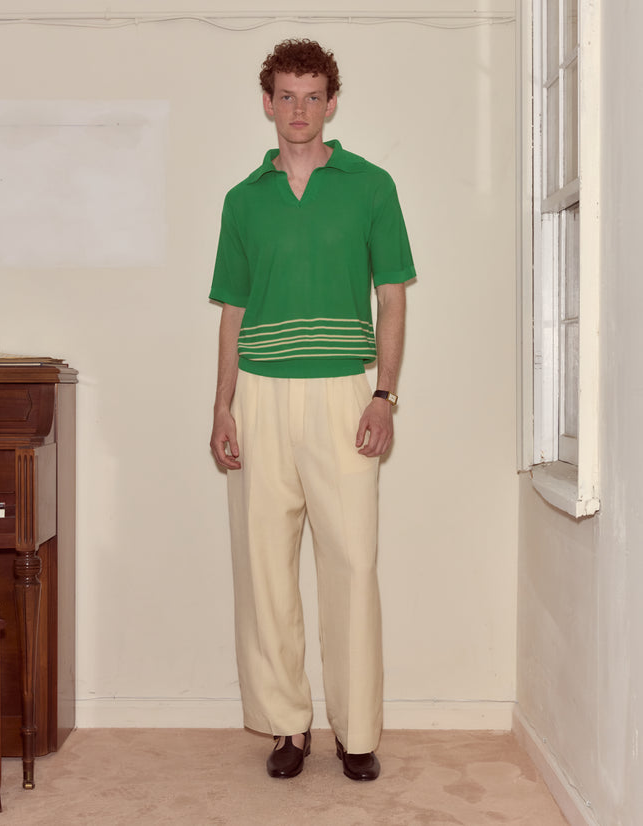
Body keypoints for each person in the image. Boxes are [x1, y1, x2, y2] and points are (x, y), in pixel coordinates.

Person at [209, 38, 415, 781]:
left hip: (341, 392)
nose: (298, 109)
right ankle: (285, 727)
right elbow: (231, 310)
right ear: (268, 103)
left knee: (352, 563)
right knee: (265, 566)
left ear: (332, 103)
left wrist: (384, 395)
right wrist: (222, 406)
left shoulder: (372, 186)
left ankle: (357, 733)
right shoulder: (242, 200)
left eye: (312, 95)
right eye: (285, 96)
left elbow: (391, 299)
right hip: (258, 395)